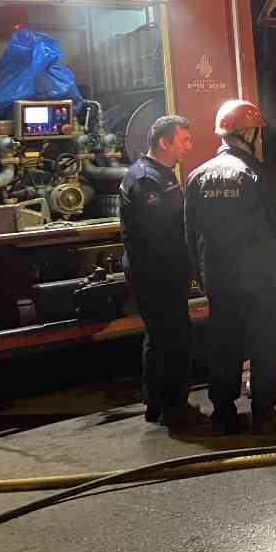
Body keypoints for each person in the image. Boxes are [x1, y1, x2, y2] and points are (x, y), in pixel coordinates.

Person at [184, 99, 276, 435]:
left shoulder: (197, 177)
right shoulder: (260, 175)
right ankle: (263, 414)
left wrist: (200, 276)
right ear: (246, 133)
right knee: (264, 344)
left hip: (219, 280)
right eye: (257, 132)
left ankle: (223, 414)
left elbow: (190, 234)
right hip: (260, 279)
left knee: (224, 345)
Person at [120, 114, 203, 429]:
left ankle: (158, 402)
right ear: (164, 142)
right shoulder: (145, 179)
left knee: (162, 335)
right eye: (183, 141)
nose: (188, 147)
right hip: (156, 272)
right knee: (171, 337)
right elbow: (162, 234)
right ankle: (171, 405)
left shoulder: (160, 174)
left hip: (163, 271)